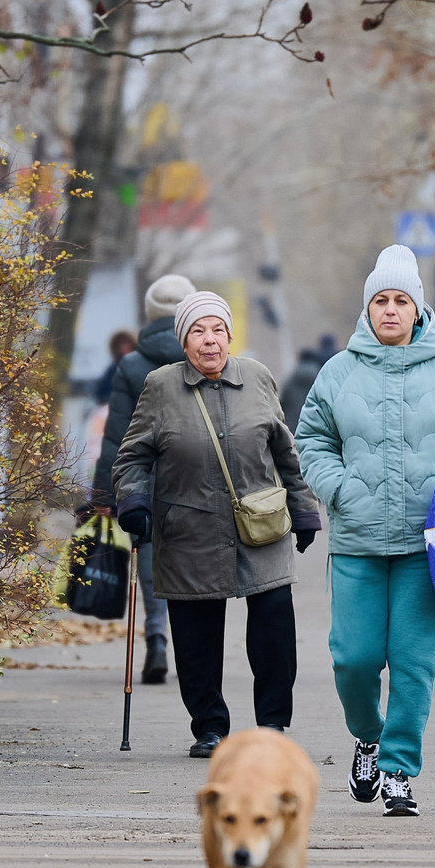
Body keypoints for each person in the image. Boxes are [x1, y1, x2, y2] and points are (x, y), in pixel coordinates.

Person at [295, 246, 435, 818]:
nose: (389, 310)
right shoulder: (339, 371)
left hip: (423, 543)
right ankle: (367, 735)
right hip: (356, 538)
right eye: (380, 300)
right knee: (353, 660)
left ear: (417, 309)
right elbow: (311, 440)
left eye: (400, 300)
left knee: (411, 662)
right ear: (367, 308)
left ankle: (399, 771)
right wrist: (339, 490)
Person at [111, 291, 324, 758]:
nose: (209, 341)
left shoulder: (258, 377)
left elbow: (286, 454)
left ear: (230, 335)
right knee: (196, 639)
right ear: (183, 340)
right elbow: (132, 457)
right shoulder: (160, 387)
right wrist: (132, 502)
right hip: (188, 529)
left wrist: (304, 507)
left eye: (217, 330)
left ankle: (272, 724)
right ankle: (209, 727)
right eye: (197, 331)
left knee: (273, 630)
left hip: (260, 527)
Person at [94, 275, 194, 684]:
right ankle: (194, 647)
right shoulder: (207, 357)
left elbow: (116, 434)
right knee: (193, 562)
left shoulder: (131, 366)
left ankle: (156, 638)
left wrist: (104, 493)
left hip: (145, 480)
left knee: (150, 561)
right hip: (196, 478)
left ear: (150, 315)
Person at [278, 332, 338, 429]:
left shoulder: (293, 376)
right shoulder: (319, 375)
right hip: (313, 425)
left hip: (292, 425)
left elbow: (283, 400)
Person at [93, 329, 137, 406]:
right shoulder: (112, 370)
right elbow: (101, 393)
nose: (124, 348)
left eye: (127, 344)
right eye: (121, 345)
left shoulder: (141, 366)